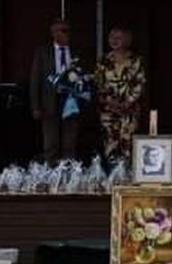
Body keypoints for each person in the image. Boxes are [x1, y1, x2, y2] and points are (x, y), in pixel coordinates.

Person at [29, 18, 86, 162]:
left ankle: (69, 172)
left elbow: (84, 77)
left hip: (71, 101)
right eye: (60, 30)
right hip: (49, 101)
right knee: (50, 142)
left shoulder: (77, 51)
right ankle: (51, 173)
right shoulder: (43, 51)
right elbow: (35, 79)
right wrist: (35, 106)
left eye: (66, 31)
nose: (63, 34)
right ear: (53, 33)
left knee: (70, 140)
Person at [94, 25, 145, 166]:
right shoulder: (103, 61)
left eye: (118, 37)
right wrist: (111, 103)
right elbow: (99, 84)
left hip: (129, 111)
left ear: (127, 39)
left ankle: (127, 178)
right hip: (108, 111)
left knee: (127, 144)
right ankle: (113, 178)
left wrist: (126, 103)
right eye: (111, 37)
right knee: (110, 144)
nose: (114, 40)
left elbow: (139, 84)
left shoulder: (136, 60)